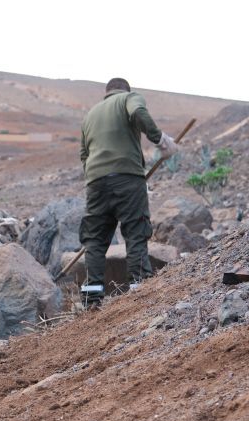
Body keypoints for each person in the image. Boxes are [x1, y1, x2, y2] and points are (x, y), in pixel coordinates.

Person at [77, 77, 178, 307]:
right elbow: (138, 113)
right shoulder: (129, 99)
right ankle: (139, 290)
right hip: (128, 179)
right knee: (135, 230)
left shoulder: (90, 115)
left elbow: (84, 155)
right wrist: (161, 141)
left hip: (95, 183)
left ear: (107, 92)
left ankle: (92, 297)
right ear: (125, 90)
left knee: (94, 239)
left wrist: (97, 175)